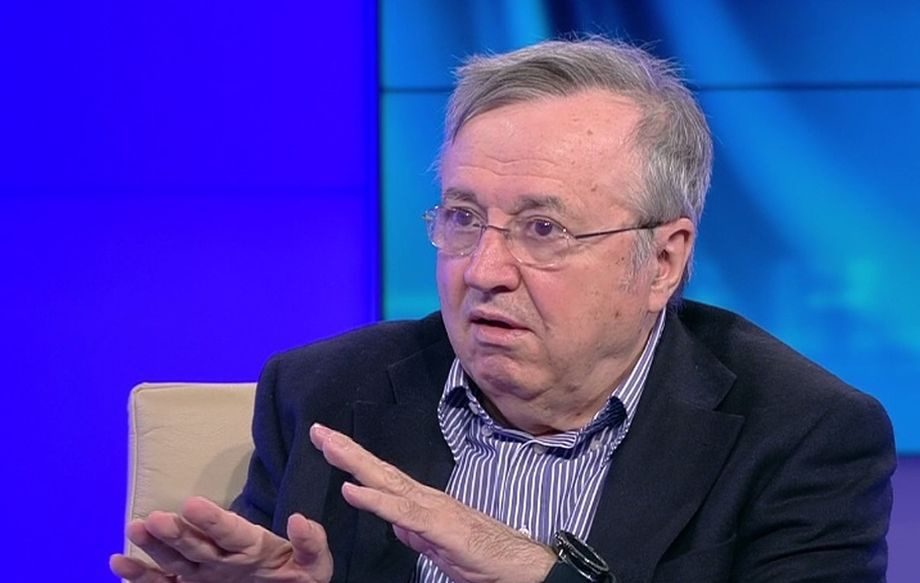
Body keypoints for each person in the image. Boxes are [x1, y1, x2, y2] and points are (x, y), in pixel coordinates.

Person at [110, 37, 895, 583]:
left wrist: (539, 572)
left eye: (543, 229)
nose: (483, 271)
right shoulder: (322, 393)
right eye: (462, 218)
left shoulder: (801, 433)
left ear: (663, 259)